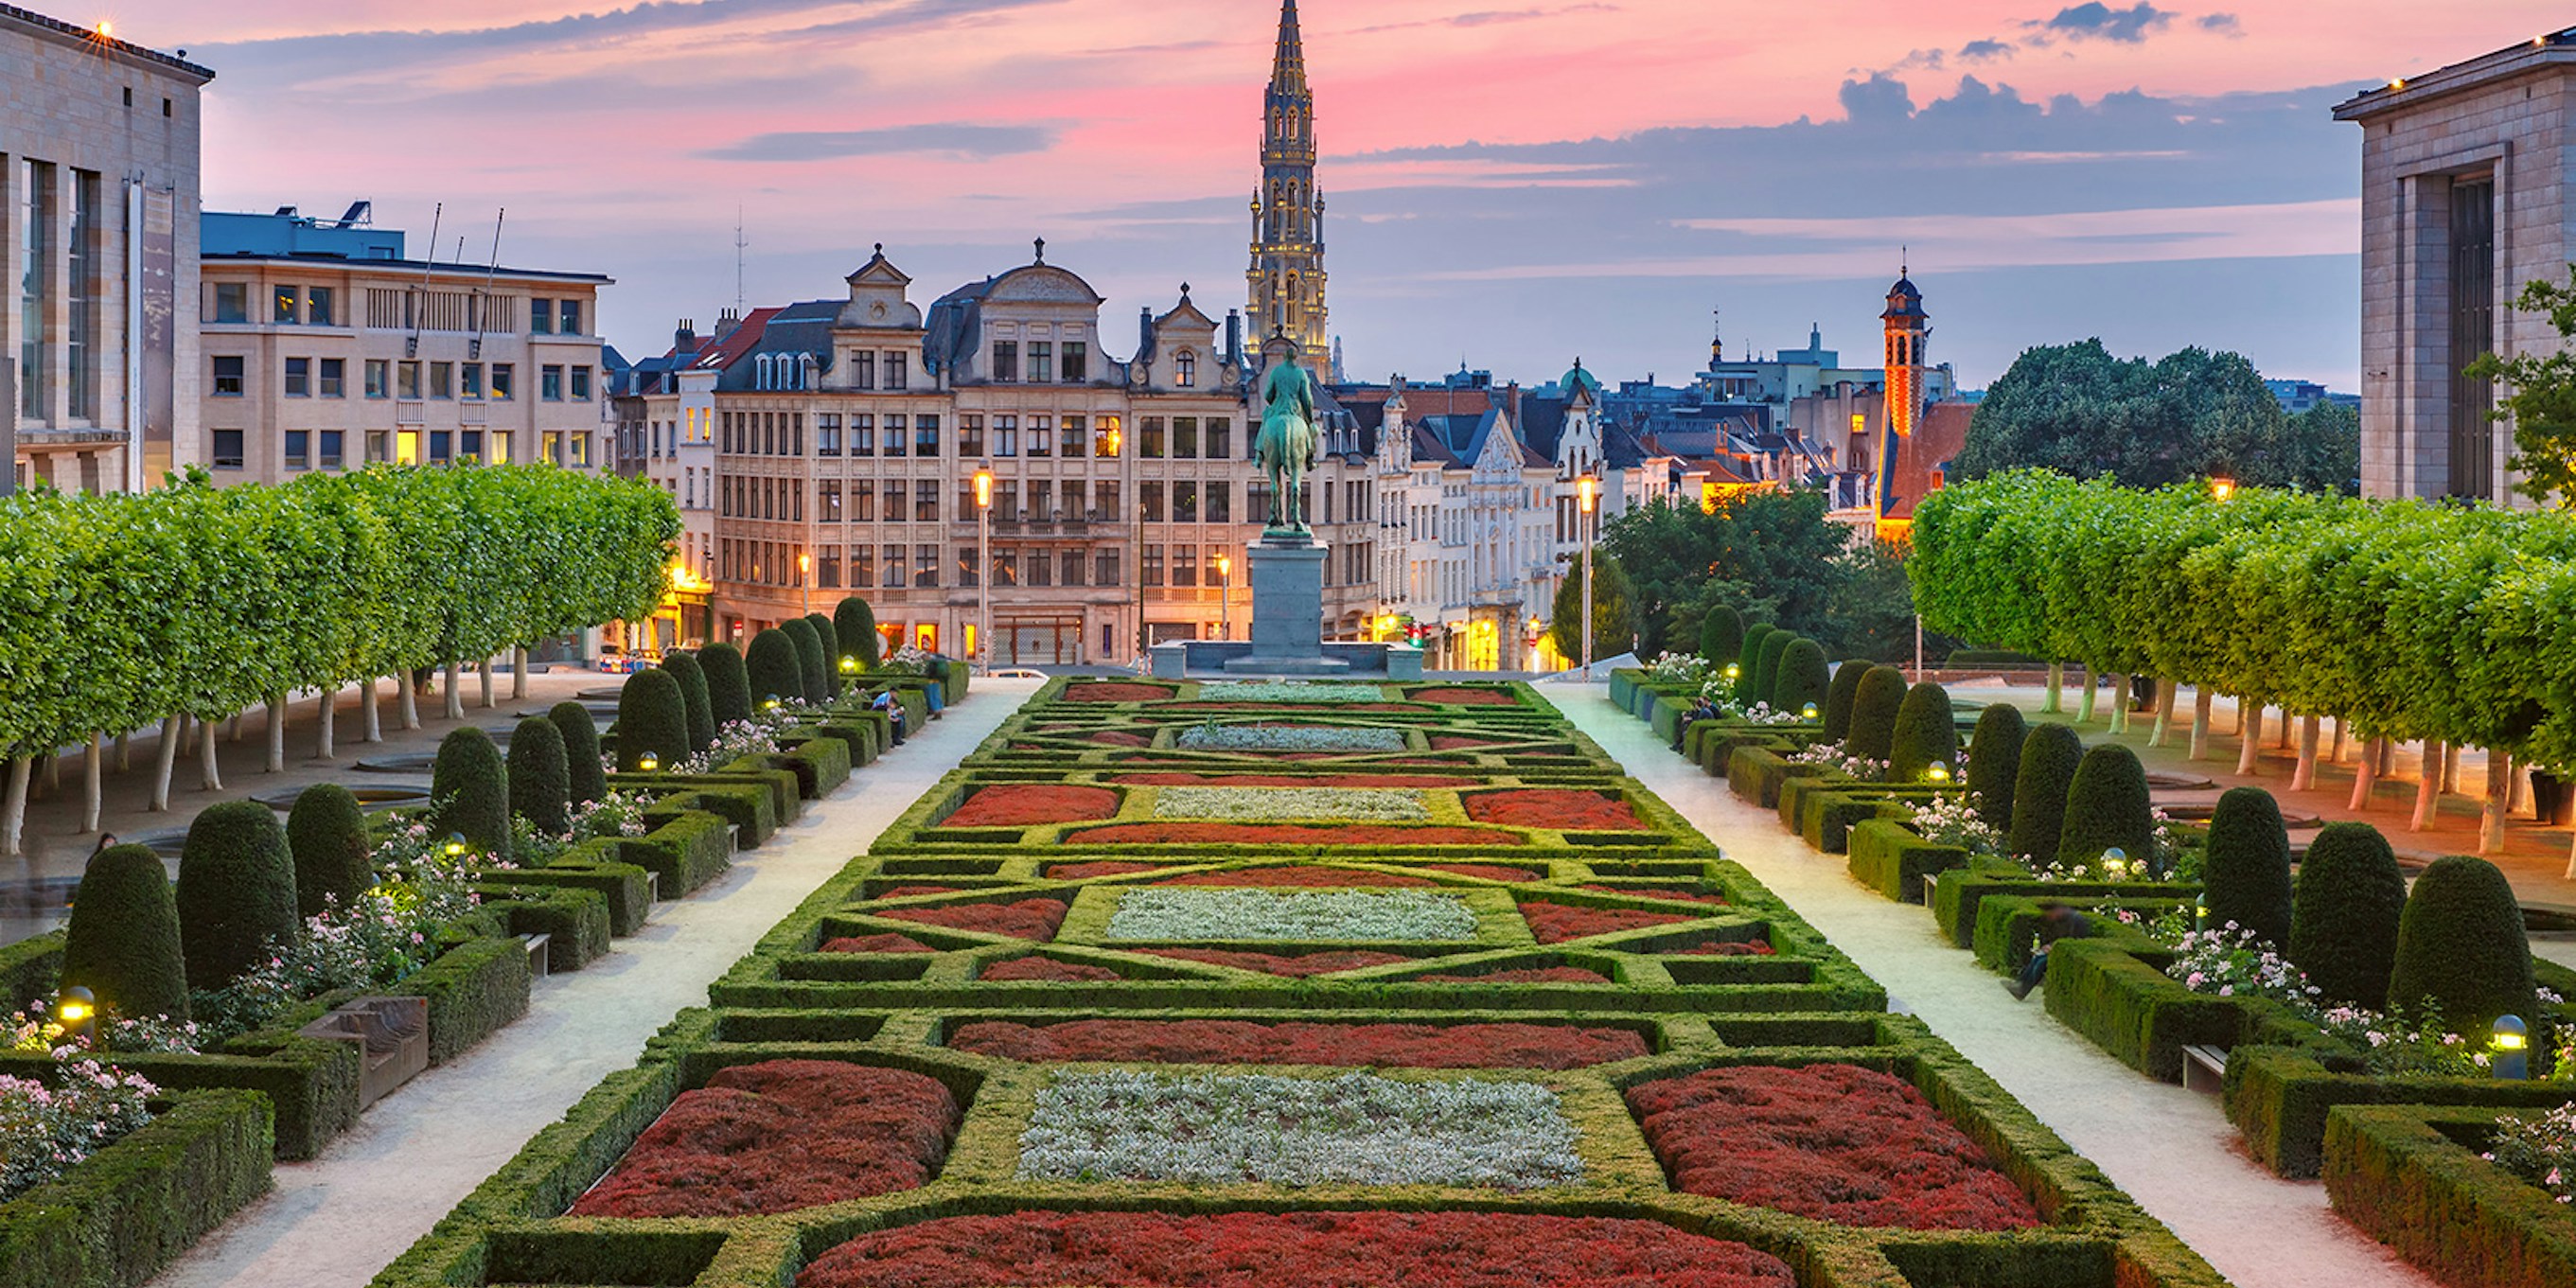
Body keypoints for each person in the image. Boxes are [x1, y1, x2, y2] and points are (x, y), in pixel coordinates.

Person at [2005, 901, 2089, 1000]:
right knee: (2037, 957)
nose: (2051, 918)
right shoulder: (2065, 919)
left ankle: (2023, 989)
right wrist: (2049, 946)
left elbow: (2074, 941)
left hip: (2068, 952)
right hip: (2059, 949)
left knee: (2040, 963)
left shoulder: (2075, 921)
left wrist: (2053, 948)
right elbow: (2062, 939)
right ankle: (2020, 984)